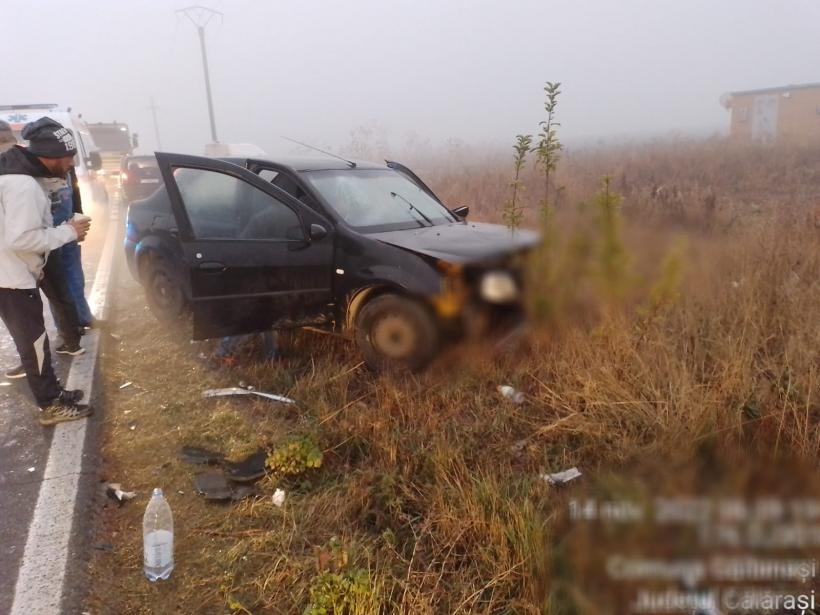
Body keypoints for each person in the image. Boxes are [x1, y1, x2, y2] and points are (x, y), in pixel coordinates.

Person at [0, 117, 92, 425]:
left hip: (12, 272)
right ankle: (51, 405)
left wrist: (35, 266)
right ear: (49, 156)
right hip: (10, 280)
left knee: (33, 342)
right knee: (34, 344)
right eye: (67, 158)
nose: (70, 164)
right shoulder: (24, 185)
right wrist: (69, 231)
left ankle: (53, 392)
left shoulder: (16, 177)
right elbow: (23, 238)